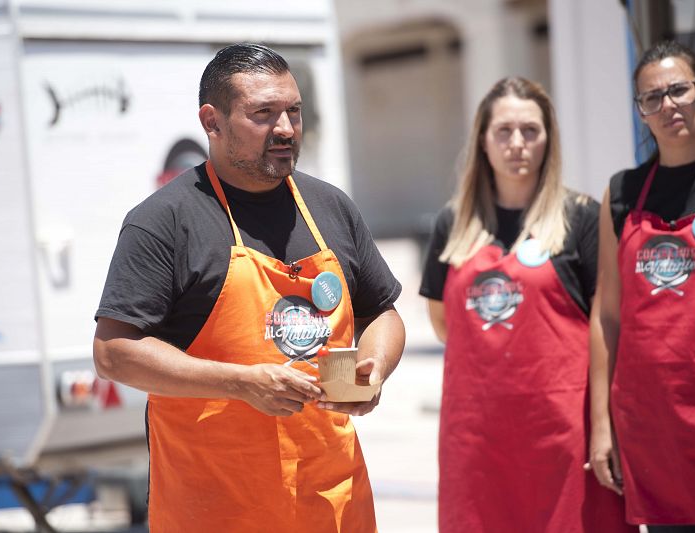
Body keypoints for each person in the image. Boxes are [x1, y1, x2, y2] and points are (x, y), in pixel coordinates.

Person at [93, 43, 405, 532]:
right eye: (263, 114)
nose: (285, 129)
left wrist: (375, 367)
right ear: (211, 121)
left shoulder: (331, 207)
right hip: (215, 509)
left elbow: (381, 312)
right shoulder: (164, 222)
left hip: (333, 504)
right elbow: (114, 352)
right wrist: (241, 382)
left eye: (293, 112)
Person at [420, 77, 633, 532]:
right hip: (477, 439)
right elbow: (443, 323)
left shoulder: (582, 217)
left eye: (531, 131)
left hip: (564, 435)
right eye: (504, 131)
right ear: (482, 140)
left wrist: (603, 428)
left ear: (548, 139)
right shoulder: (450, 224)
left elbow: (609, 326)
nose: (517, 143)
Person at [589, 40, 695, 532]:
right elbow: (607, 314)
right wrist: (601, 425)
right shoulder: (621, 194)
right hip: (652, 423)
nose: (667, 106)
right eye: (651, 98)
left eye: (678, 90)